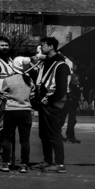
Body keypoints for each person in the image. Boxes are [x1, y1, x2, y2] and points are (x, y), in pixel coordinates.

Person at [34, 37, 71, 173]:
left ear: (51, 46)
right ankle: (47, 160)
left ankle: (60, 164)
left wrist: (49, 100)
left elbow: (62, 89)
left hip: (54, 104)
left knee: (54, 134)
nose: (40, 48)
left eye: (43, 45)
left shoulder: (61, 65)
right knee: (44, 134)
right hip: (44, 104)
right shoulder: (46, 62)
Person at [0, 56, 35, 173]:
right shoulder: (29, 80)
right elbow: (32, 95)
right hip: (26, 111)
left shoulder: (8, 80)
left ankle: (5, 163)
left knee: (7, 137)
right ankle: (24, 164)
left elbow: (2, 93)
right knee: (25, 139)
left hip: (11, 110)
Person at [64, 61, 82, 143]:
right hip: (71, 99)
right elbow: (76, 85)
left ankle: (64, 134)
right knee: (71, 118)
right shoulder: (74, 76)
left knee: (67, 117)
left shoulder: (71, 75)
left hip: (70, 98)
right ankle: (70, 135)